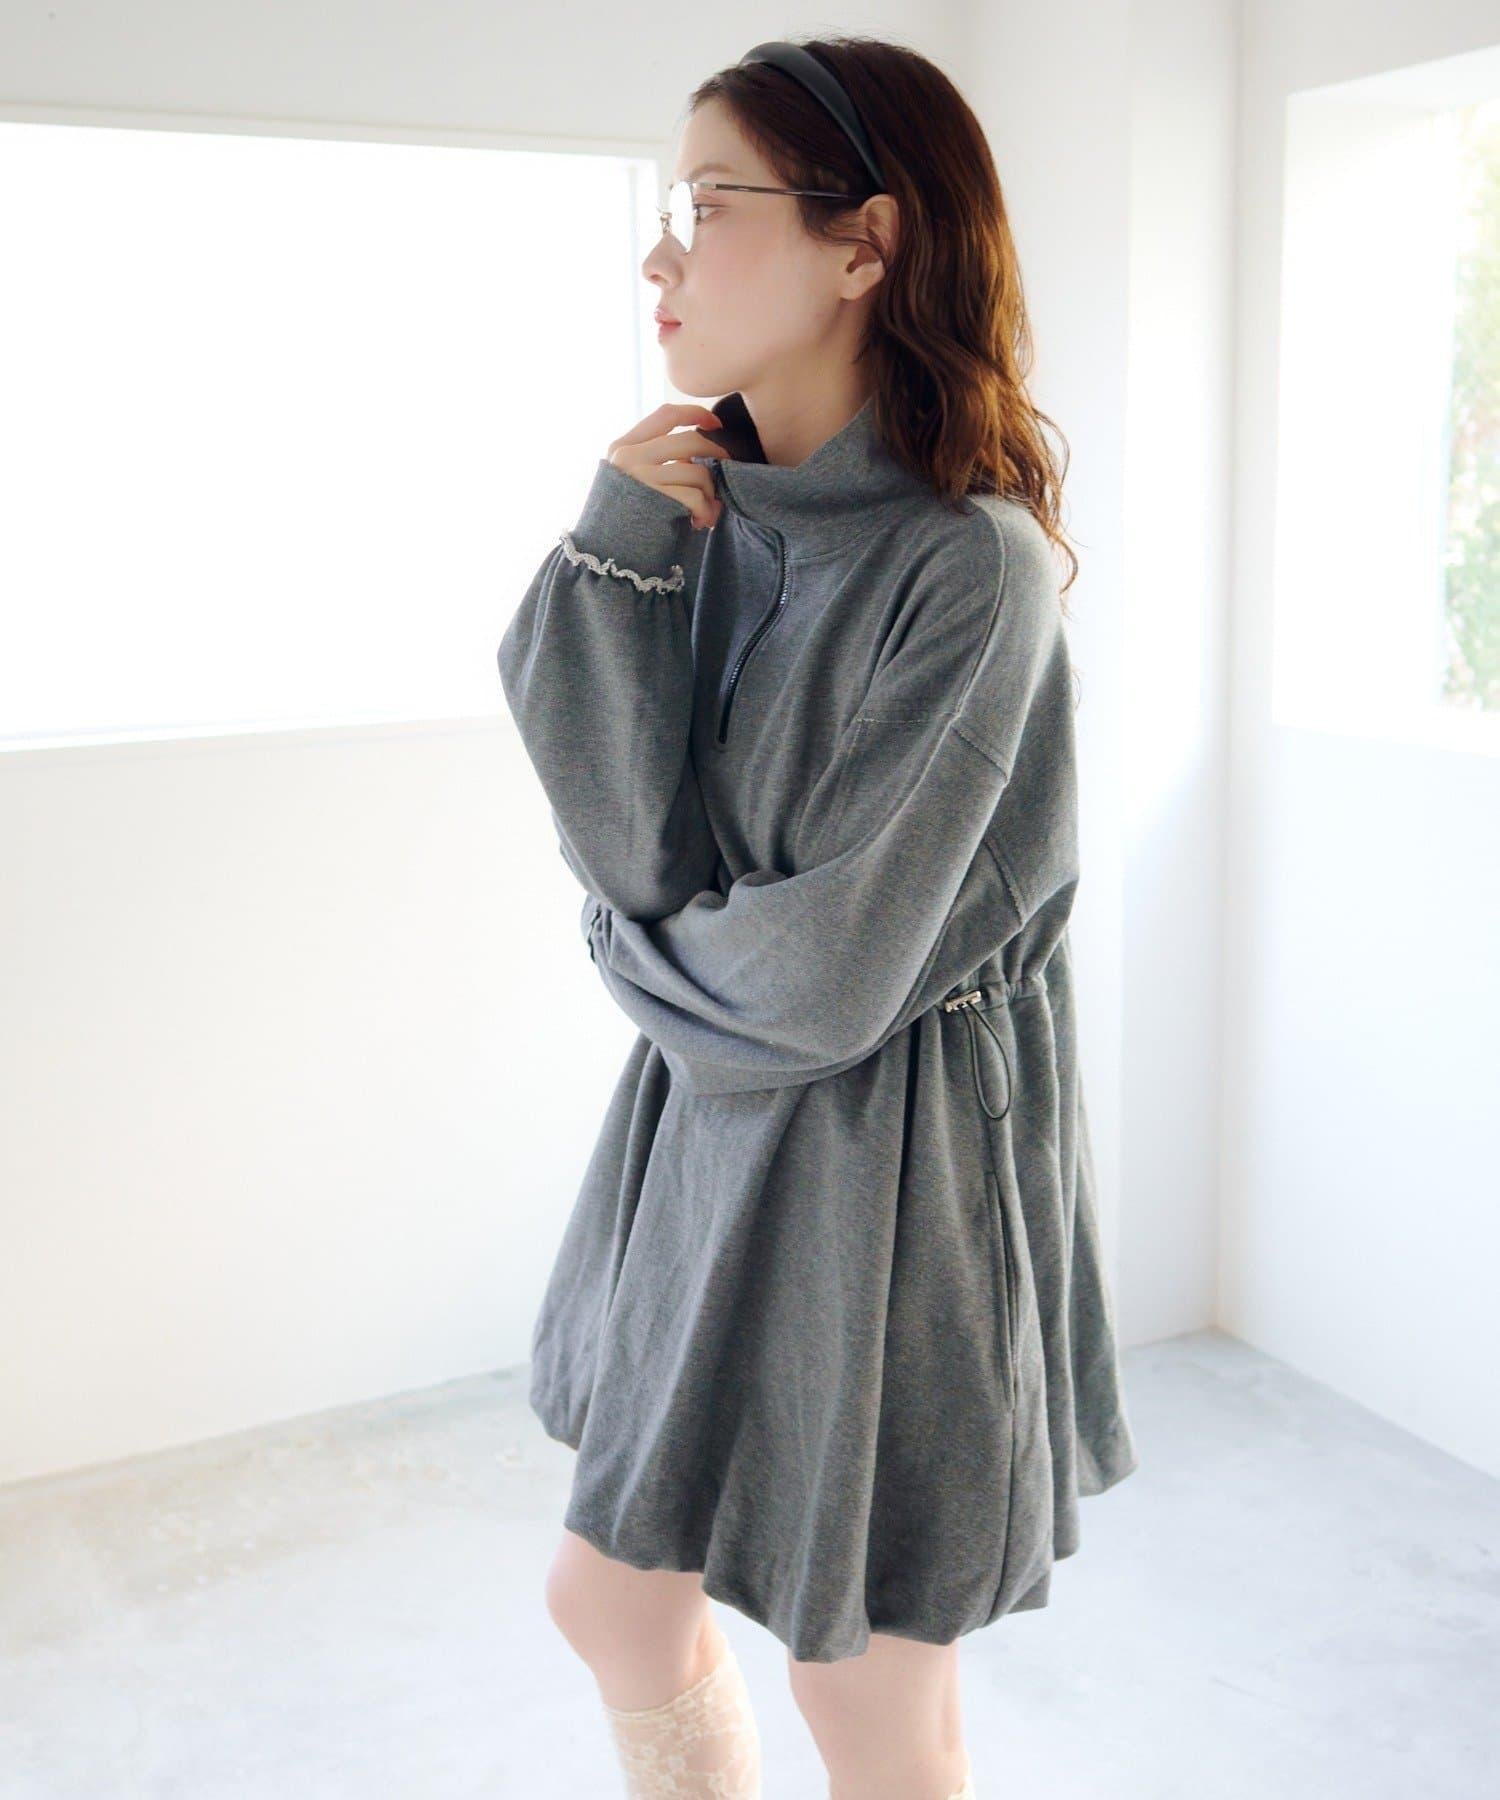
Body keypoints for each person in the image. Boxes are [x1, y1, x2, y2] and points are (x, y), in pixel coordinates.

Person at [497, 34, 1140, 1800]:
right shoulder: (695, 518)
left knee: (864, 1686)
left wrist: (636, 957)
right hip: (714, 1129)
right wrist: (617, 545)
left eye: (711, 203)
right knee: (612, 1597)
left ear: (867, 242)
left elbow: (825, 976)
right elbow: (629, 853)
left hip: (896, 1168)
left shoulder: (970, 565)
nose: (662, 254)